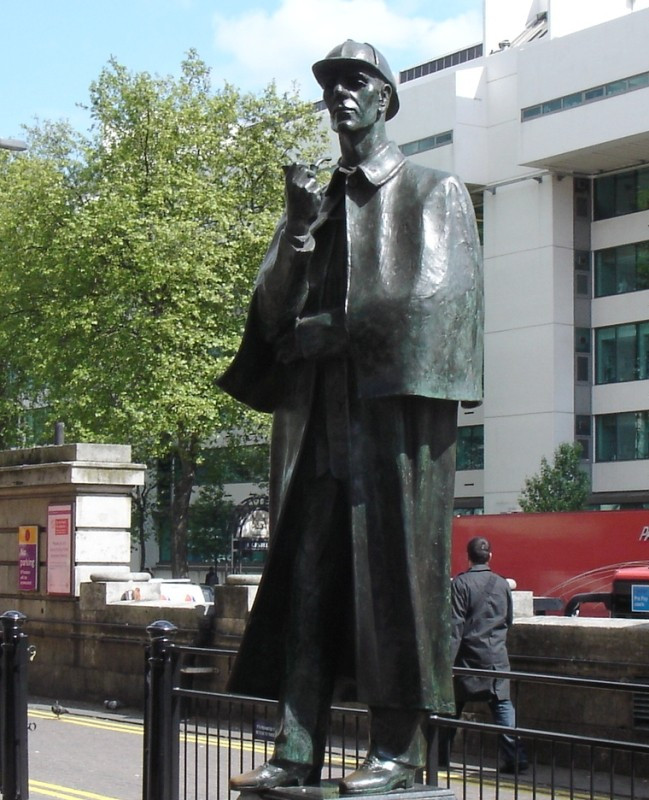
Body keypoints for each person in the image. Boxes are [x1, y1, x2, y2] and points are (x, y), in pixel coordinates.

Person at [218, 39, 483, 795]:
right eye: (331, 83)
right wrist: (297, 231)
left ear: (384, 98)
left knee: (393, 585)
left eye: (355, 82)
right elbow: (269, 315)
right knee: (307, 584)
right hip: (316, 433)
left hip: (387, 433)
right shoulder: (315, 204)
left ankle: (397, 754)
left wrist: (340, 332)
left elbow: (443, 307)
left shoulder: (435, 192)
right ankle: (296, 749)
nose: (340, 95)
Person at [445, 536, 527, 773]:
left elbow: (455, 628)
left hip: (467, 659)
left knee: (451, 710)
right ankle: (515, 758)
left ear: (468, 557)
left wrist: (447, 665)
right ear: (490, 556)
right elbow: (509, 620)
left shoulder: (460, 585)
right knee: (502, 707)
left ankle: (439, 756)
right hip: (496, 659)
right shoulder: (502, 584)